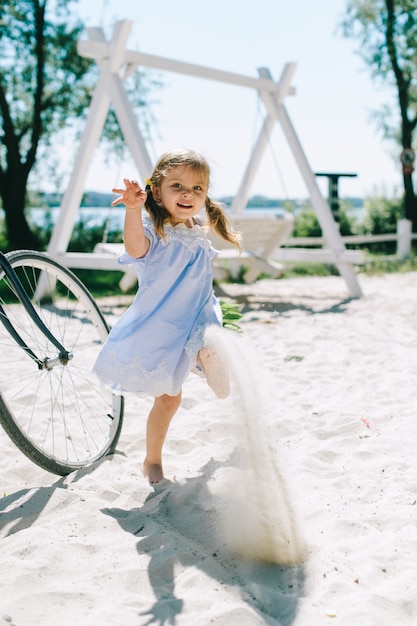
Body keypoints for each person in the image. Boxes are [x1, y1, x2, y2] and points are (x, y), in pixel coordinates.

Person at [93, 148, 241, 484]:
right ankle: (152, 460)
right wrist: (132, 209)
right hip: (163, 324)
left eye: (197, 189)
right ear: (157, 192)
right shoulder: (154, 230)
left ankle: (209, 361)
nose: (188, 194)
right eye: (178, 186)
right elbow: (134, 249)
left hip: (200, 313)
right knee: (169, 400)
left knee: (210, 345)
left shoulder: (197, 228)